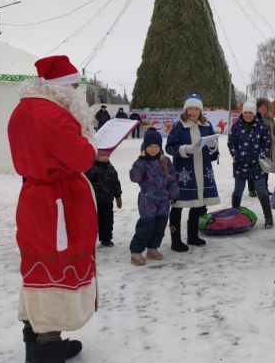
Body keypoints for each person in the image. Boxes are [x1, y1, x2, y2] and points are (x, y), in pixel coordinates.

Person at [7, 55, 98, 363]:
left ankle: (39, 348)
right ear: (62, 86)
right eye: (73, 84)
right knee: (54, 273)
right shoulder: (51, 113)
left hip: (37, 200)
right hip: (55, 204)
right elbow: (81, 156)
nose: (76, 90)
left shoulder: (25, 108)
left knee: (39, 270)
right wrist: (89, 140)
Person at [165, 94, 220, 251]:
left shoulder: (207, 125)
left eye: (197, 109)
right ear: (186, 109)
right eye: (191, 108)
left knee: (198, 205)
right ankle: (175, 241)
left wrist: (212, 145)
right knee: (178, 206)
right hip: (184, 173)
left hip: (203, 171)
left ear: (200, 110)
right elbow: (169, 148)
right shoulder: (178, 126)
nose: (194, 112)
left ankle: (193, 236)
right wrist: (186, 149)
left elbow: (213, 150)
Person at [128, 128, 180, 265]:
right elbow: (134, 178)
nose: (153, 149)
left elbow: (173, 179)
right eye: (150, 146)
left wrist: (173, 194)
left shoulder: (166, 161)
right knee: (146, 226)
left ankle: (152, 248)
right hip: (148, 200)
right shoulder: (142, 162)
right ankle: (136, 252)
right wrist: (140, 162)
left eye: (156, 146)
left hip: (164, 200)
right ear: (145, 147)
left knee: (160, 226)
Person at [228, 100, 273, 228]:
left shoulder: (261, 125)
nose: (248, 115)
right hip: (240, 164)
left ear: (254, 113)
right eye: (245, 112)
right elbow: (231, 143)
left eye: (250, 113)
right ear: (243, 113)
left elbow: (267, 142)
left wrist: (262, 155)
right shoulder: (236, 126)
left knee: (261, 190)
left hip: (257, 165)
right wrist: (236, 156)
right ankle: (235, 215)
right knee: (238, 189)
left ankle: (268, 218)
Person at [85, 149, 123, 247]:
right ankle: (89, 239)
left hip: (107, 201)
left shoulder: (111, 168)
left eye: (107, 155)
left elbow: (116, 183)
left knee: (107, 221)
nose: (105, 157)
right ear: (96, 155)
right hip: (93, 202)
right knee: (92, 222)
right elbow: (86, 184)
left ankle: (106, 239)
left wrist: (118, 196)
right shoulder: (91, 169)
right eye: (102, 155)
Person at [248, 98, 275, 197]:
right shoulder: (252, 119)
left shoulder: (270, 119)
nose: (264, 108)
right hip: (256, 148)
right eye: (261, 106)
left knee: (266, 168)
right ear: (257, 107)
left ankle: (264, 188)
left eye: (266, 107)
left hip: (269, 147)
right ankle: (252, 189)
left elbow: (274, 132)